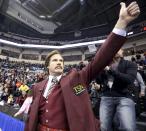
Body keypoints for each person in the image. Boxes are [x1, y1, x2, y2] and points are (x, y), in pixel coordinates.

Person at [25, 2, 140, 131]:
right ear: (47, 65)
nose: (59, 63)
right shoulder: (37, 87)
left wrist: (122, 23)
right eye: (55, 60)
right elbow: (32, 115)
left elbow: (100, 58)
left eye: (61, 61)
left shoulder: (76, 79)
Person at [99, 49, 138, 131]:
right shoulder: (105, 65)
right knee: (103, 128)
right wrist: (100, 70)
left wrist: (111, 71)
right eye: (114, 49)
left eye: (118, 48)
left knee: (128, 128)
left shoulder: (130, 64)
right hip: (106, 97)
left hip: (124, 97)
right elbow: (98, 80)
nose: (116, 50)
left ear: (122, 51)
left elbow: (129, 79)